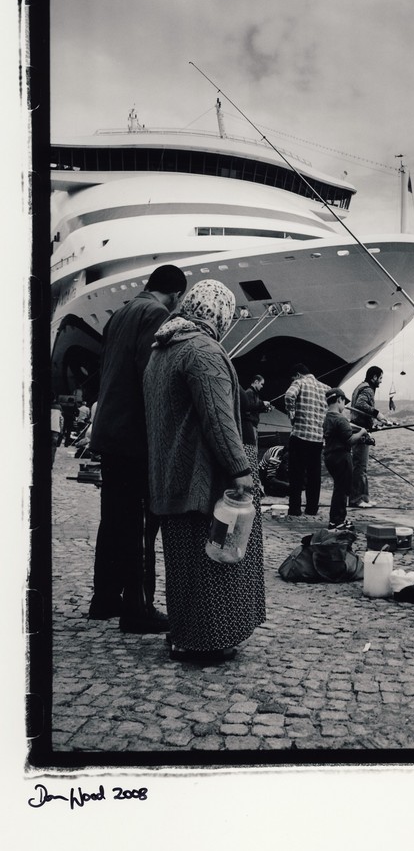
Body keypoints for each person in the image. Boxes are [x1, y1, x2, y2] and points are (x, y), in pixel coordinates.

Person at [143, 279, 266, 663]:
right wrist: (241, 468)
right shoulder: (203, 351)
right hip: (203, 478)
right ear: (219, 313)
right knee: (215, 560)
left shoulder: (162, 350)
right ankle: (208, 641)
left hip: (169, 476)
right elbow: (218, 419)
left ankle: (183, 634)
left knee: (184, 565)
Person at [88, 263, 188, 630]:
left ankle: (104, 599)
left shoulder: (122, 313)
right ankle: (137, 608)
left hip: (109, 432)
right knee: (142, 523)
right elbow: (153, 375)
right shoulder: (156, 313)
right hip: (134, 435)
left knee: (113, 519)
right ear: (176, 294)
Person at [284, 363, 331, 518]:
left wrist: (292, 414)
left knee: (296, 474)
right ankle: (312, 508)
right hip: (317, 439)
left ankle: (295, 509)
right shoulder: (325, 388)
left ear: (298, 375)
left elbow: (289, 395)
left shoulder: (300, 382)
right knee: (314, 475)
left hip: (300, 436)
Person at [323, 388, 368, 530]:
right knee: (342, 490)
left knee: (338, 488)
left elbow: (342, 432)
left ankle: (335, 520)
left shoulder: (328, 418)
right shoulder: (340, 418)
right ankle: (338, 521)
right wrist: (362, 432)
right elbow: (349, 440)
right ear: (339, 400)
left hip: (330, 457)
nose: (344, 406)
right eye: (344, 402)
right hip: (341, 457)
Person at [349, 366, 389, 508]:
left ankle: (364, 498)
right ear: (374, 377)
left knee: (362, 467)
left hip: (361, 429)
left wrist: (373, 424)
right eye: (380, 378)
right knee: (359, 466)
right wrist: (377, 414)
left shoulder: (361, 386)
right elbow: (360, 404)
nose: (381, 381)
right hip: (359, 431)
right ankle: (356, 500)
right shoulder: (368, 389)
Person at [240, 374, 272, 447]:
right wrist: (262, 403)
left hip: (253, 425)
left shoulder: (254, 394)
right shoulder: (249, 392)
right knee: (251, 447)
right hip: (249, 426)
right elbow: (248, 407)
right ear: (256, 382)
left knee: (254, 447)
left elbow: (254, 408)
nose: (262, 386)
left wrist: (264, 409)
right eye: (261, 384)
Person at [51, 397, 63, 467]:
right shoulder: (58, 407)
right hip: (55, 430)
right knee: (53, 448)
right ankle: (50, 464)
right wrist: (61, 430)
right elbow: (61, 419)